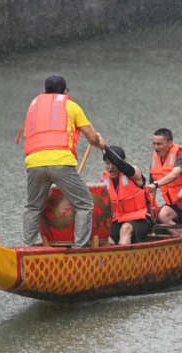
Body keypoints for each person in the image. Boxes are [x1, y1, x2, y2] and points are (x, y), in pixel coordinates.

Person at [20, 75, 105, 248]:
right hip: (61, 162)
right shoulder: (71, 105)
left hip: (34, 163)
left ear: (44, 91)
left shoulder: (33, 106)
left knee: (33, 207)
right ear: (65, 92)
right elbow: (91, 137)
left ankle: (26, 249)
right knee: (84, 205)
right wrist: (100, 143)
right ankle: (79, 248)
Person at [146, 128, 182, 232]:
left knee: (165, 215)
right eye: (154, 144)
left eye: (159, 144)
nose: (156, 147)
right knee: (162, 215)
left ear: (170, 143)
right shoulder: (155, 159)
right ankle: (179, 238)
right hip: (174, 203)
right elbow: (151, 188)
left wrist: (155, 184)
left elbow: (174, 175)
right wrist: (151, 209)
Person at [101, 146, 155, 245]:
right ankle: (112, 254)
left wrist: (103, 147)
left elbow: (125, 167)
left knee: (126, 228)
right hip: (118, 219)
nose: (111, 167)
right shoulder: (104, 181)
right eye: (108, 163)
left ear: (124, 162)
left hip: (141, 219)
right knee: (101, 234)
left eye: (114, 163)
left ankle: (122, 257)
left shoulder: (134, 174)